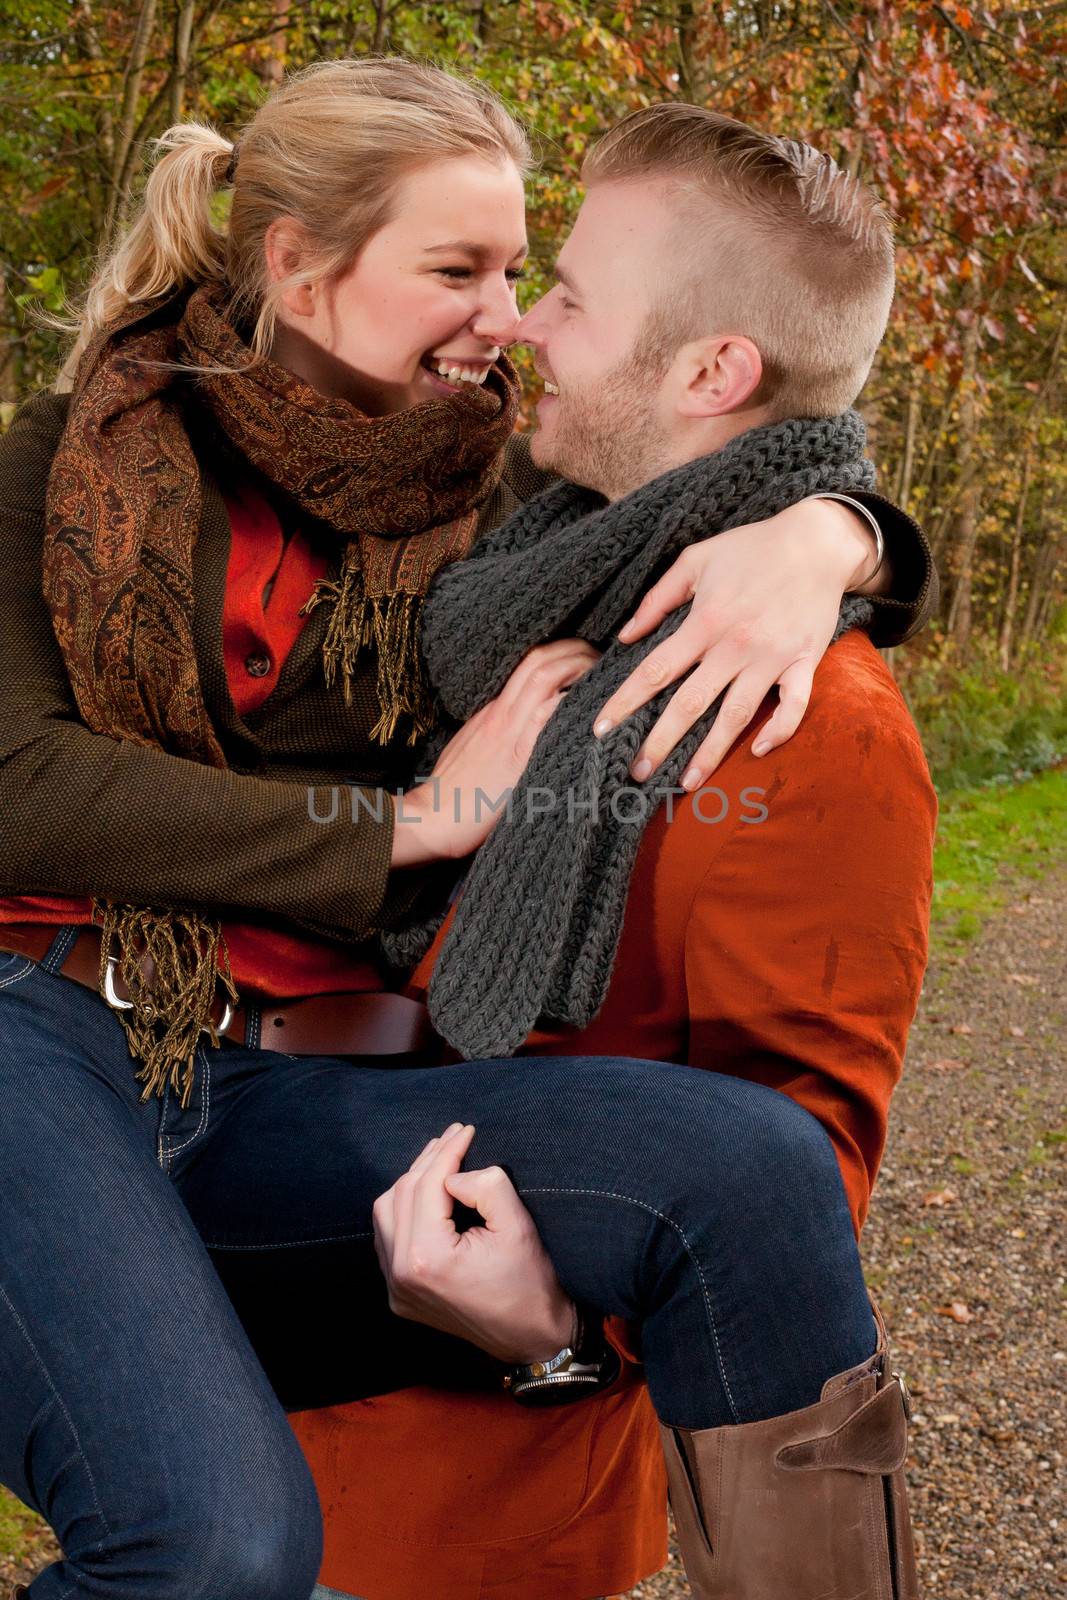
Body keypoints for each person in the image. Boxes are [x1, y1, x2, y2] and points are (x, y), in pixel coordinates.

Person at [0, 59, 933, 1600]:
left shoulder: (499, 491)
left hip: (279, 1098)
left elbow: (720, 449)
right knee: (221, 1545)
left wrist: (837, 537)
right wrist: (400, 831)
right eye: (461, 271)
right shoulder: (68, 461)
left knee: (753, 1170)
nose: (506, 319)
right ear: (297, 263)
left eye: (524, 273)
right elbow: (18, 787)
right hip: (48, 1031)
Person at [295, 105, 937, 1600]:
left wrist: (560, 1338)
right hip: (253, 1411)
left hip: (464, 1512)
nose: (524, 323)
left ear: (714, 371)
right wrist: (857, 523)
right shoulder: (521, 570)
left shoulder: (808, 723)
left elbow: (794, 1186)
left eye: (571, 293)